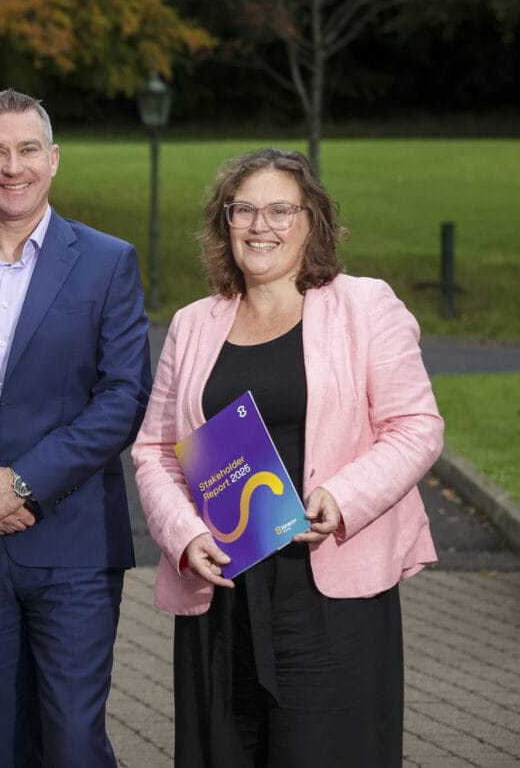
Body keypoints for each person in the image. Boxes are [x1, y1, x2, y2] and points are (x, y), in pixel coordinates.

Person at [133, 147, 444, 766]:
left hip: (329, 592)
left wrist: (343, 497)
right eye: (243, 210)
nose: (260, 225)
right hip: (223, 589)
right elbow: (155, 451)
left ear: (312, 222)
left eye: (280, 210)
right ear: (225, 222)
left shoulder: (365, 306)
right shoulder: (193, 324)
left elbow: (416, 427)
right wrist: (185, 535)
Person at [0, 88, 152, 767]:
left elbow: (123, 397)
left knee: (73, 739)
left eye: (27, 149)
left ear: (54, 159)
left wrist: (21, 483)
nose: (12, 166)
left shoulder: (107, 261)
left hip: (74, 542)